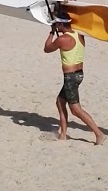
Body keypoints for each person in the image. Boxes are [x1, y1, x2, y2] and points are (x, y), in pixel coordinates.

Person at [43, 9, 104, 144]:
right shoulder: (79, 35)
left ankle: (99, 134)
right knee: (60, 102)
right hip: (79, 75)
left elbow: (47, 48)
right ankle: (63, 134)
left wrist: (52, 32)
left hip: (70, 77)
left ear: (60, 25)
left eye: (57, 24)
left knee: (76, 110)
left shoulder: (63, 39)